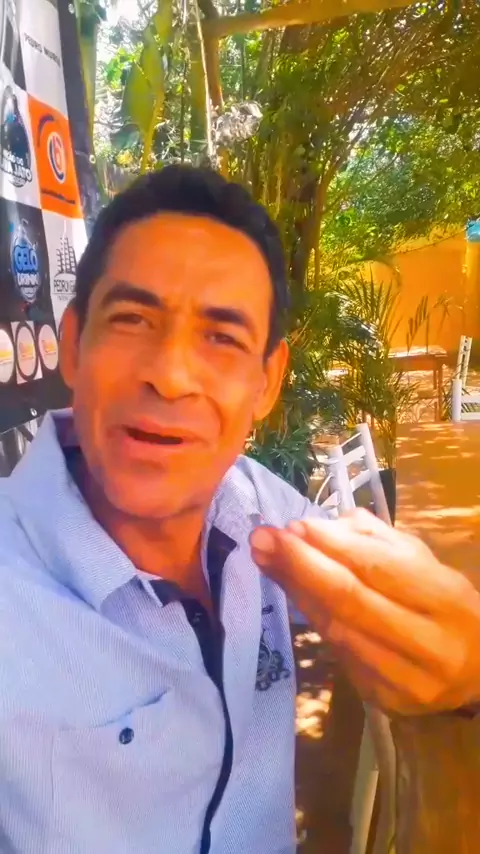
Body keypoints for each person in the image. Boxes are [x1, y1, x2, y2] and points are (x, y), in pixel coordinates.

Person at [0, 165, 479, 854]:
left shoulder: (254, 502)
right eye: (132, 319)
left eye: (222, 338)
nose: (170, 375)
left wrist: (460, 667)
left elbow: (395, 615)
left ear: (266, 383)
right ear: (73, 345)